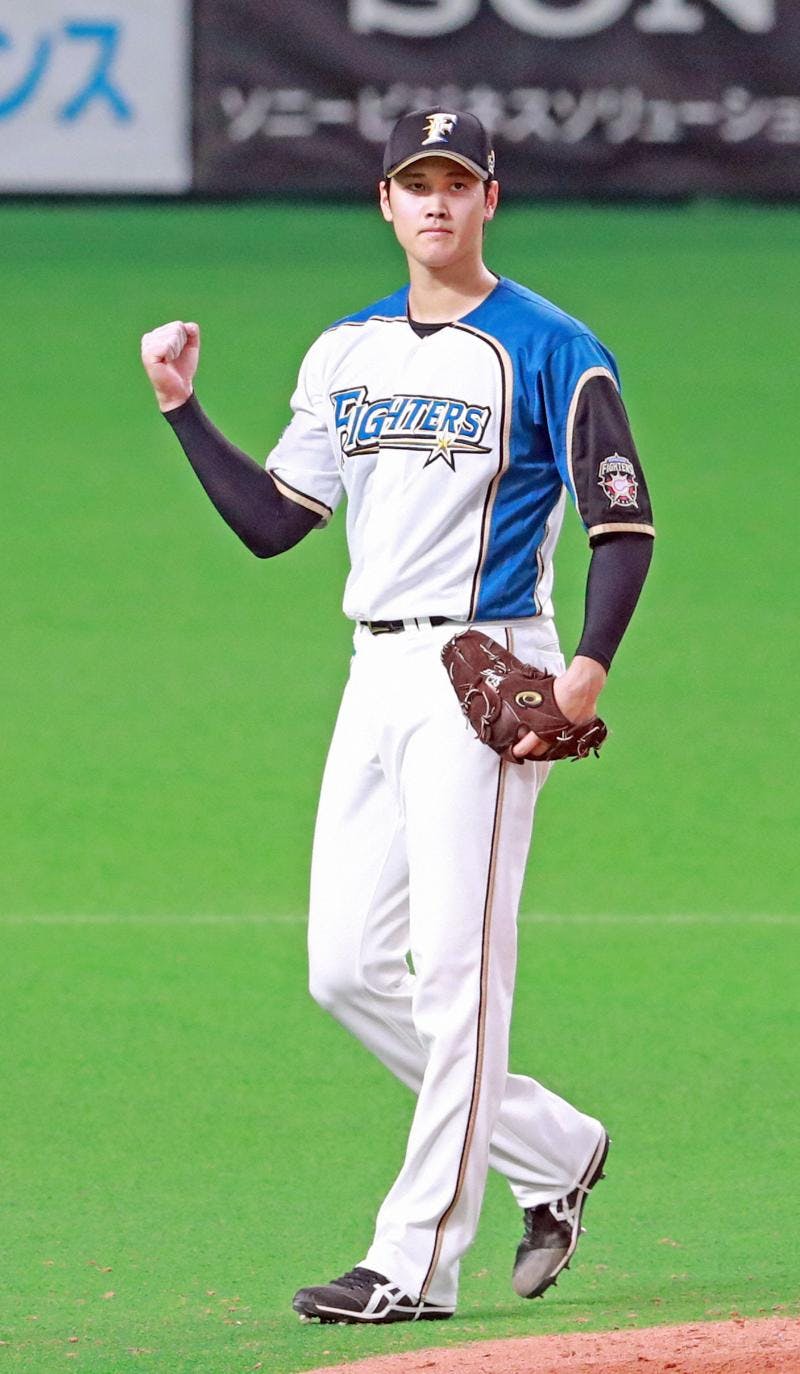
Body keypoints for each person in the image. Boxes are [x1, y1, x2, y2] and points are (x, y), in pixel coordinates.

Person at [140, 108, 654, 1327]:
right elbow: (276, 523)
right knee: (342, 968)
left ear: (489, 200)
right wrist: (180, 407)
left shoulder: (551, 347)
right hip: (372, 673)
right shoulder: (345, 352)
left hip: (488, 673)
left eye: (455, 184)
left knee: (455, 979)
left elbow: (621, 522)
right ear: (384, 202)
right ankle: (551, 1145)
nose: (434, 202)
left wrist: (584, 669)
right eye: (414, 184)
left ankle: (414, 1263)